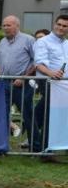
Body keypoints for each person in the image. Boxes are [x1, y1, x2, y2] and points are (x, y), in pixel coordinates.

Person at [0, 15, 36, 146]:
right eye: (4, 25)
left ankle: (35, 145)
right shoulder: (2, 42)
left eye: (8, 25)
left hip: (22, 84)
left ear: (17, 26)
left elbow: (37, 62)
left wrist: (23, 78)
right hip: (4, 83)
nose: (5, 28)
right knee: (1, 115)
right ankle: (2, 146)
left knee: (28, 115)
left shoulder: (29, 40)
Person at [31, 15, 68, 158]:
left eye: (65, 26)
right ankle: (45, 150)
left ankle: (44, 146)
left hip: (64, 86)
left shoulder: (66, 44)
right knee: (49, 116)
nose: (61, 28)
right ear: (54, 24)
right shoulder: (43, 42)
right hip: (48, 82)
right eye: (59, 24)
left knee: (56, 115)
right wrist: (52, 73)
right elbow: (39, 64)